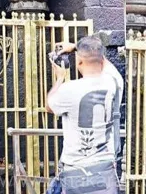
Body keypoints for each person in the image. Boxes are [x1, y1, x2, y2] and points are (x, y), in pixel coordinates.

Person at [46, 36, 119, 194]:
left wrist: (59, 78)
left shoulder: (69, 89)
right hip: (105, 171)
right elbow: (103, 61)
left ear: (79, 61)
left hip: (76, 171)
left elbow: (49, 106)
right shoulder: (113, 82)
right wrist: (77, 47)